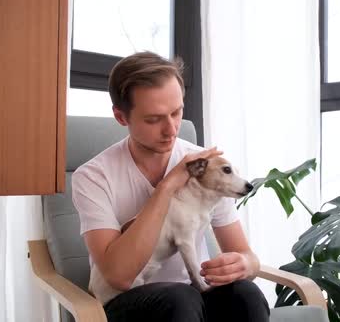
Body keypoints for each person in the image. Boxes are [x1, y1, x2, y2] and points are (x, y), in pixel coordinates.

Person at [71, 51, 269, 322]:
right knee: (180, 298)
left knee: (245, 294)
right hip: (124, 302)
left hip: (190, 296)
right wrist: (167, 186)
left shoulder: (207, 167)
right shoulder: (93, 177)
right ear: (121, 117)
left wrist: (244, 265)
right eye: (154, 119)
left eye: (177, 112)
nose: (172, 129)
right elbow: (118, 276)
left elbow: (246, 255)